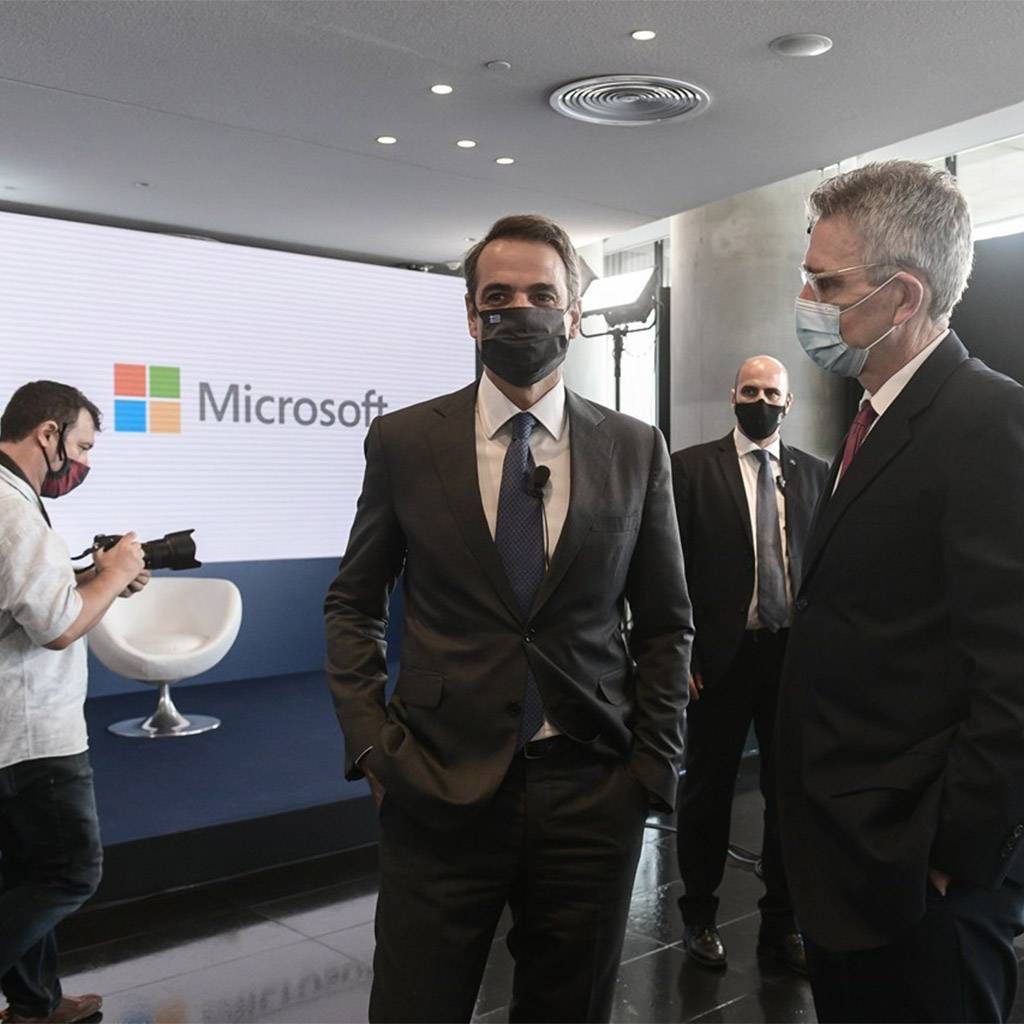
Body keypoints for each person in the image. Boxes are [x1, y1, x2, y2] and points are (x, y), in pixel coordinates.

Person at [324, 214, 692, 1023]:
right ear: (470, 315)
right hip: (436, 780)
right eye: (497, 297)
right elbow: (353, 600)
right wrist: (371, 745)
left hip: (592, 787)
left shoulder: (636, 448)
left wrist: (652, 767)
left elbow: (667, 622)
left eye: (541, 295)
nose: (519, 311)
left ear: (574, 314)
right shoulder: (405, 441)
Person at [777, 160, 1024, 1022]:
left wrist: (951, 851)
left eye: (828, 285)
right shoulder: (875, 416)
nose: (807, 301)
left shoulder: (987, 420)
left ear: (905, 296)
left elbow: (1014, 673)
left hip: (920, 879)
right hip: (849, 860)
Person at [671, 356, 827, 975]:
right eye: (750, 390)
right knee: (706, 793)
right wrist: (680, 652)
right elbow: (670, 569)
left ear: (789, 403)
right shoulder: (690, 470)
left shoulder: (814, 474)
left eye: (772, 393)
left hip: (791, 659)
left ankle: (781, 925)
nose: (761, 401)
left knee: (788, 796)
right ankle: (699, 917)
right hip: (717, 660)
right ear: (732, 395)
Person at [0, 381, 149, 1024]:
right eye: (82, 446)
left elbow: (23, 599)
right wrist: (112, 576)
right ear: (48, 433)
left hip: (12, 728)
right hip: (32, 732)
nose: (82, 462)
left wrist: (95, 579)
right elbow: (57, 627)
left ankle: (35, 1005)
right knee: (70, 872)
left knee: (22, 871)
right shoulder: (13, 509)